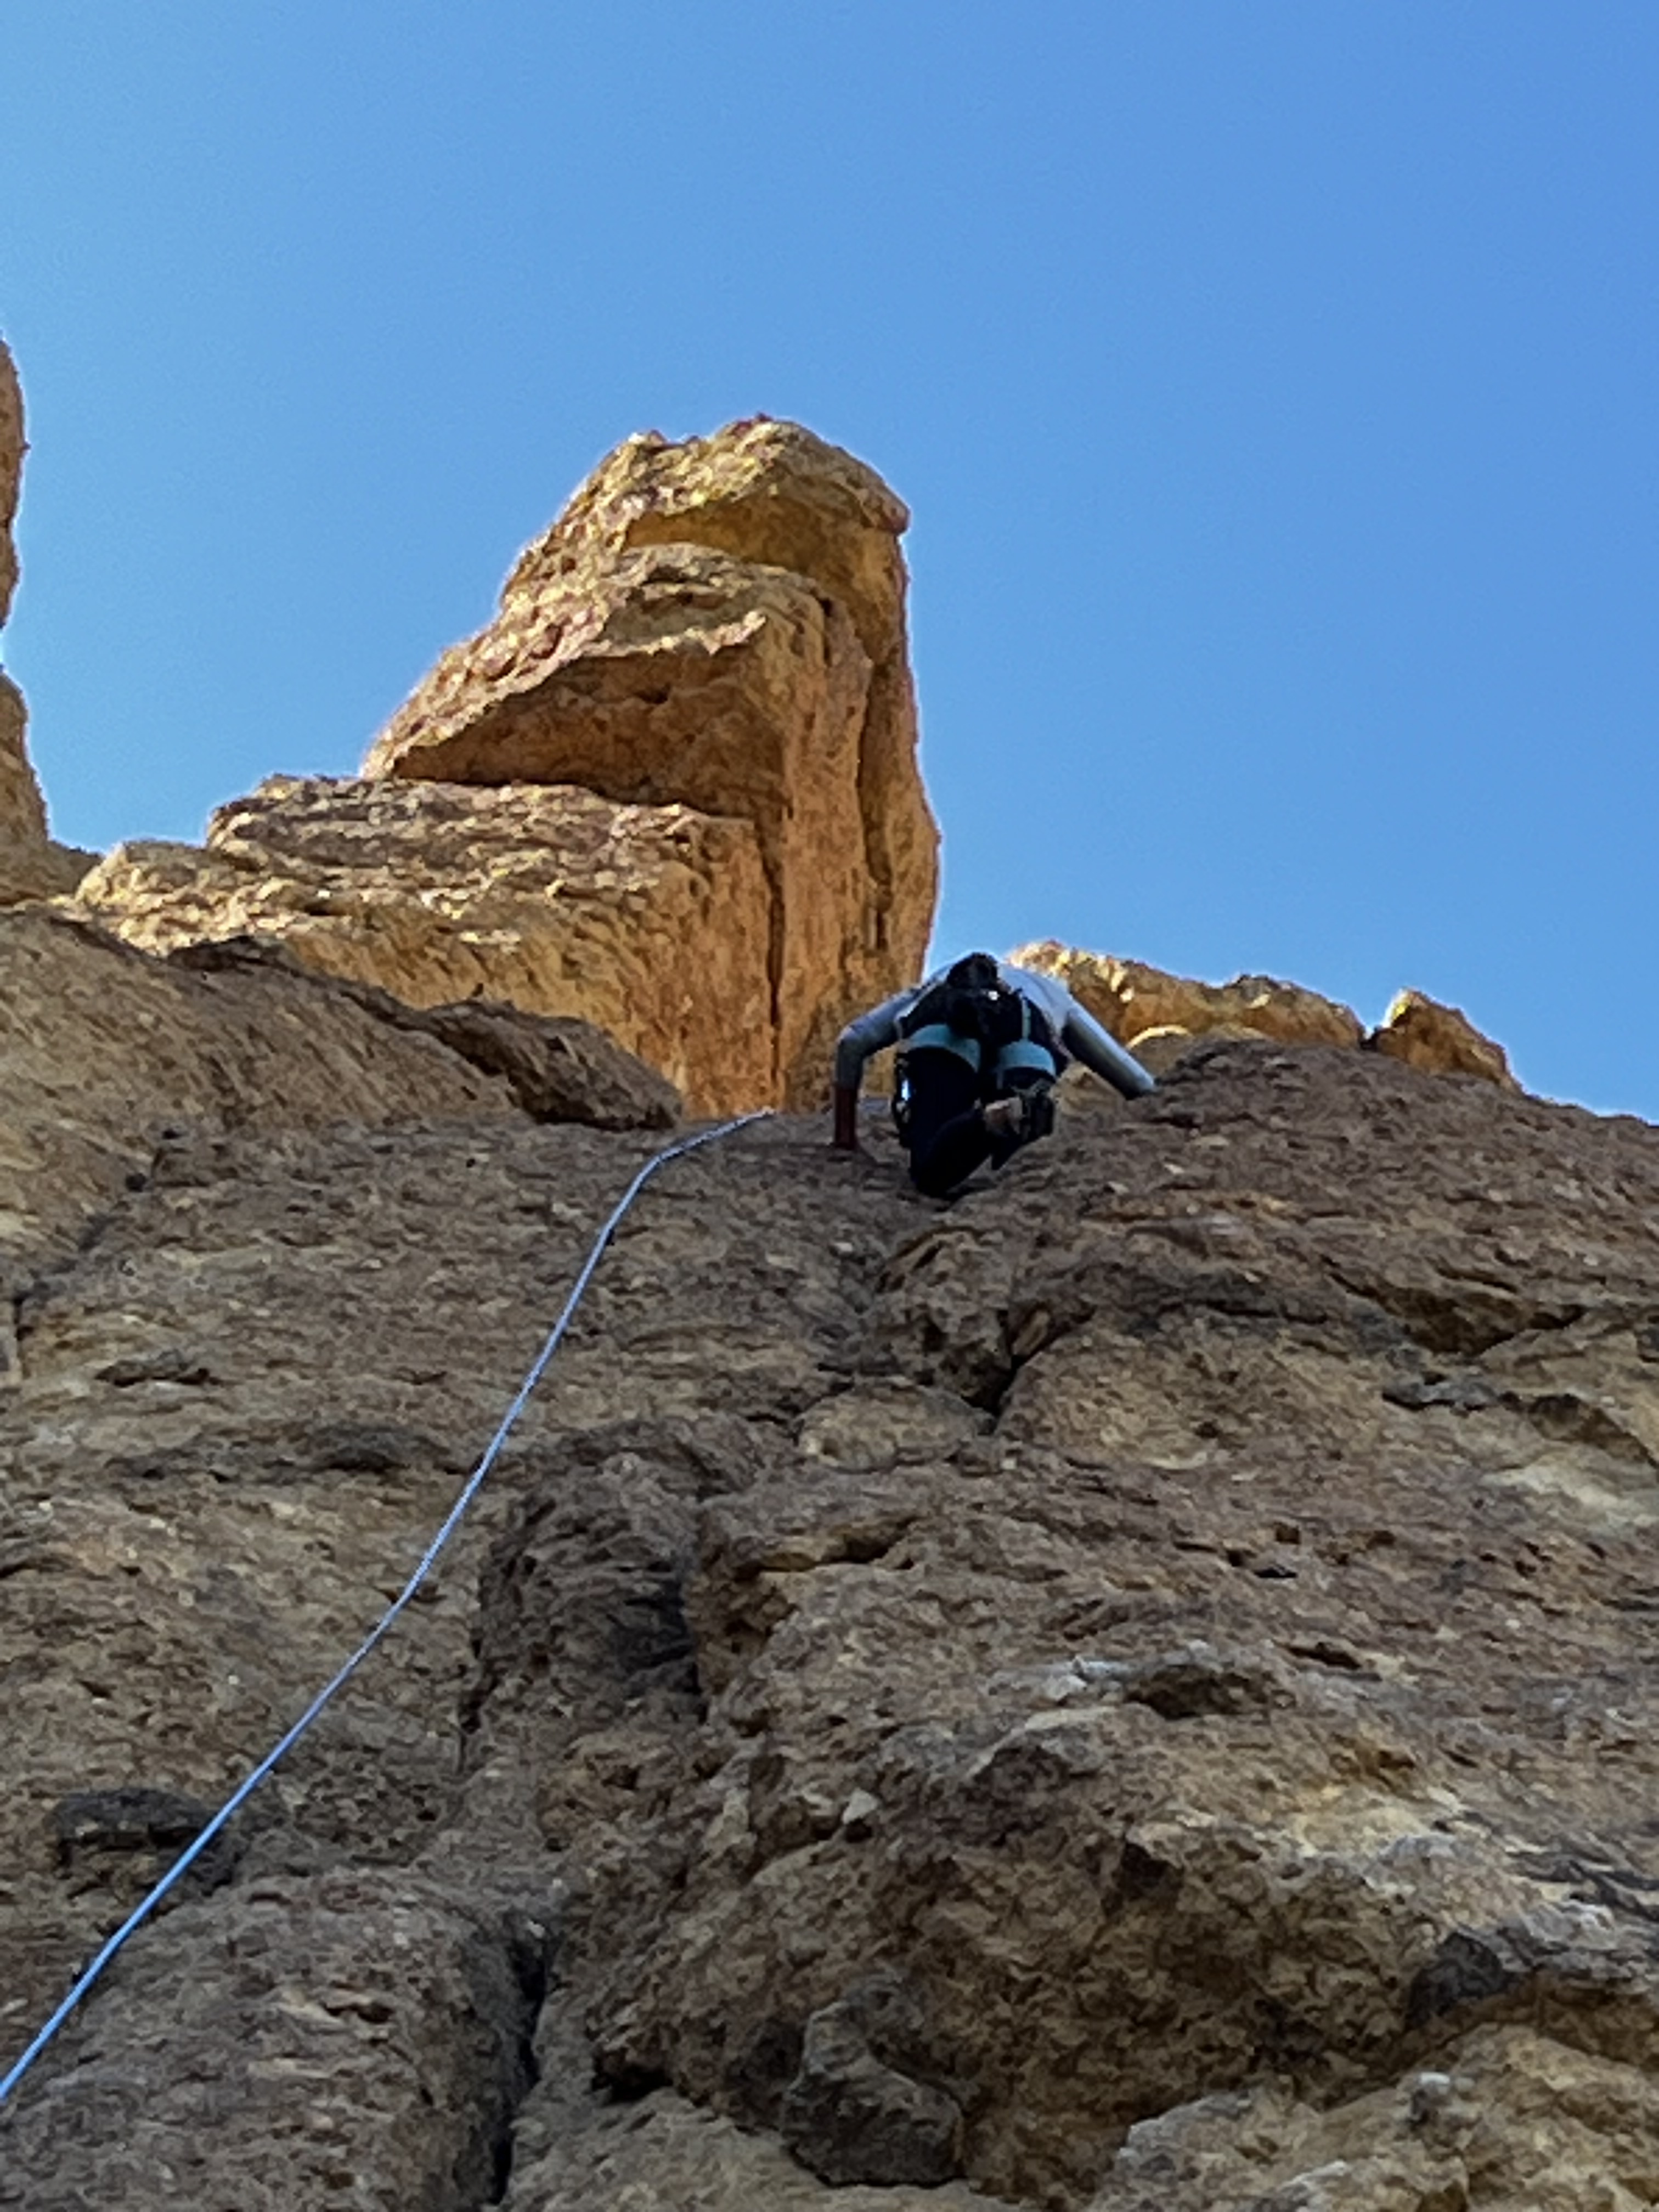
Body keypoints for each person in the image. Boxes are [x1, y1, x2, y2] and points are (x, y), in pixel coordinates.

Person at [831, 952, 1155, 1195]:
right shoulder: (1054, 993)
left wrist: (845, 1139)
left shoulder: (941, 979)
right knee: (1018, 1162)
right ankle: (1009, 1118)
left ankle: (985, 1123)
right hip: (1027, 1030)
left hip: (946, 1029)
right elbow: (1137, 1081)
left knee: (930, 1171)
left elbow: (852, 1041)